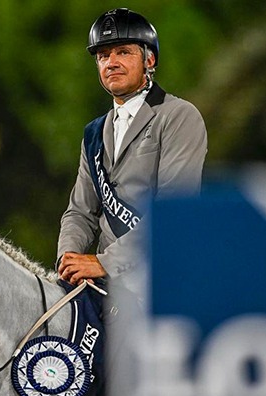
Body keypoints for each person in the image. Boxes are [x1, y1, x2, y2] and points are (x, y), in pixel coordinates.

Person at [57, 8, 208, 286]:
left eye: (123, 52)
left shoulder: (178, 116)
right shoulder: (93, 133)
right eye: (103, 56)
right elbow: (80, 212)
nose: (111, 62)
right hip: (104, 284)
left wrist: (103, 262)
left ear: (149, 59)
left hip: (162, 282)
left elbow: (173, 213)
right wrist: (68, 259)